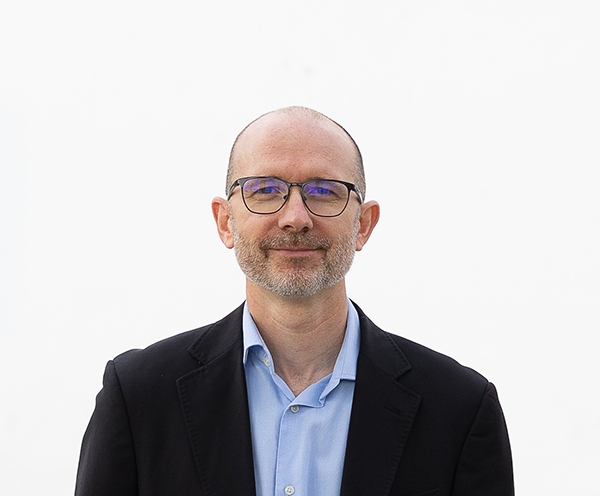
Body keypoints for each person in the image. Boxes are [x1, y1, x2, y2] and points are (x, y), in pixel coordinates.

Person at [75, 106, 514, 496]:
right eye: (265, 189)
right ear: (225, 222)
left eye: (324, 191)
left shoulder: (459, 409)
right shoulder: (138, 397)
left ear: (364, 225)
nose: (296, 218)